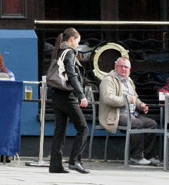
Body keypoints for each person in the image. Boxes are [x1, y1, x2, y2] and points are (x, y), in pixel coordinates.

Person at [99, 56, 159, 165]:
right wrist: (126, 100)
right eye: (121, 66)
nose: (123, 69)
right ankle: (135, 156)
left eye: (126, 67)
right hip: (116, 114)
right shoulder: (108, 80)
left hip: (132, 114)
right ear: (115, 67)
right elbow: (108, 98)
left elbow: (134, 98)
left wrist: (141, 105)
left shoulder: (129, 80)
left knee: (152, 124)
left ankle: (147, 156)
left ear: (130, 69)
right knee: (137, 123)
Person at [48, 28, 90, 174]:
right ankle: (74, 161)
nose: (78, 44)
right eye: (78, 41)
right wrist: (81, 95)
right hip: (67, 95)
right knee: (83, 127)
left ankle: (55, 165)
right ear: (72, 39)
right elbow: (72, 75)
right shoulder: (69, 53)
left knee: (60, 130)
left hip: (56, 94)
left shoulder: (59, 51)